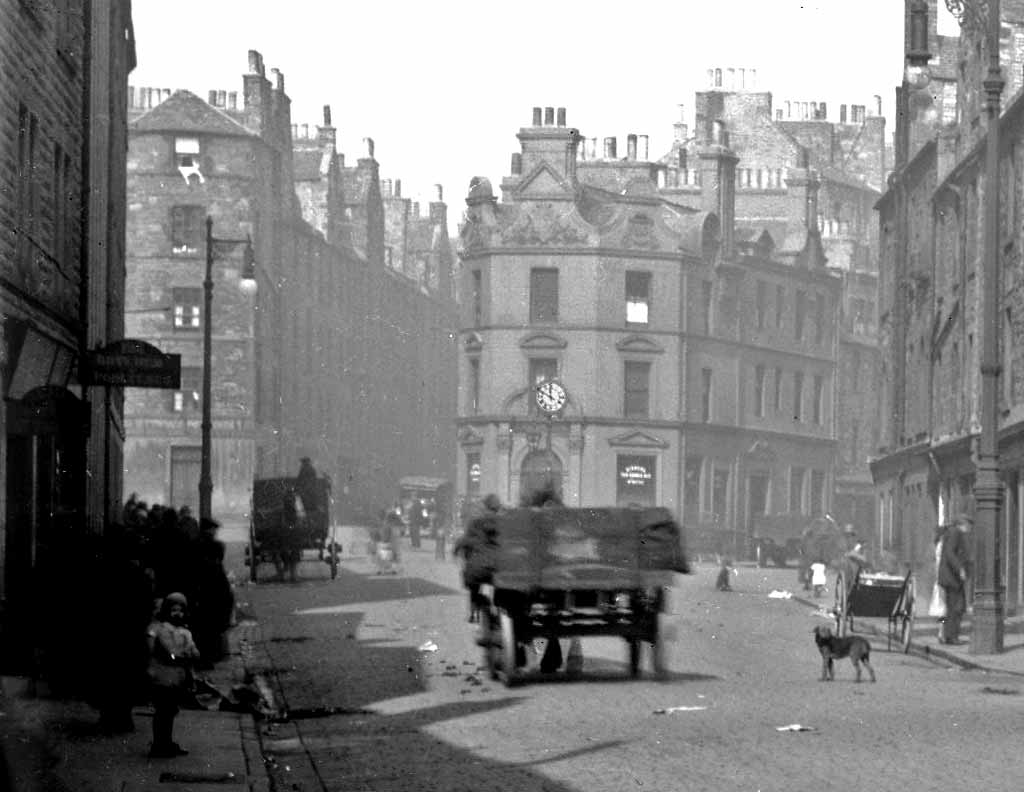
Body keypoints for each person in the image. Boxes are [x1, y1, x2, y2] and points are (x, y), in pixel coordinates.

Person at [146, 592, 201, 758]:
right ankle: (159, 744)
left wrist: (192, 652)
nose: (178, 614)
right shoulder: (161, 630)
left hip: (176, 677)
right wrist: (183, 655)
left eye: (181, 610)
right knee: (163, 710)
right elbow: (170, 651)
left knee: (170, 710)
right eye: (174, 610)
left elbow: (192, 650)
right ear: (166, 611)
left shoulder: (184, 631)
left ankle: (166, 742)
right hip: (162, 676)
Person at [938, 514, 973, 645]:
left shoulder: (952, 533)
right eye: (969, 525)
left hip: (950, 577)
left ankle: (948, 635)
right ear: (963, 524)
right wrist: (960, 569)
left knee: (953, 607)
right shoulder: (955, 533)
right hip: (952, 578)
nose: (970, 528)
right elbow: (950, 553)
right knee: (956, 607)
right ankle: (951, 637)